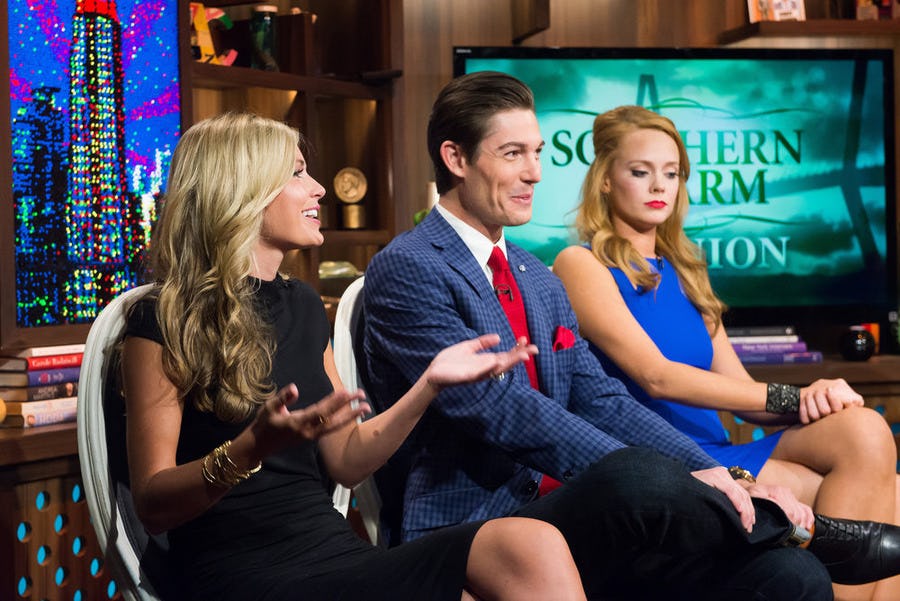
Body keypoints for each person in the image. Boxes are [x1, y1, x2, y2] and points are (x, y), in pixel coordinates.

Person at [363, 70, 900, 600]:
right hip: (477, 521)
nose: (535, 173)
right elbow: (500, 408)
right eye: (513, 154)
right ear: (456, 158)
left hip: (571, 514)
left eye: (538, 153)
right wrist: (689, 478)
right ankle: (796, 528)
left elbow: (600, 398)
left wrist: (717, 471)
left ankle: (793, 541)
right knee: (638, 474)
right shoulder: (410, 265)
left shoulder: (536, 279)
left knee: (793, 576)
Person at [118, 112, 589, 601]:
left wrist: (429, 386)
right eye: (297, 173)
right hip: (239, 572)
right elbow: (152, 505)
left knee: (530, 542)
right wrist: (250, 449)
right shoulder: (163, 317)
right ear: (241, 191)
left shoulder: (303, 304)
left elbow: (346, 461)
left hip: (333, 551)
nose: (319, 188)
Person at [553, 104, 900, 601]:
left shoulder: (686, 269)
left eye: (671, 173)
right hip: (667, 463)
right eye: (640, 172)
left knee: (863, 428)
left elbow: (742, 395)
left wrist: (817, 396)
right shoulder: (580, 263)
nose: (659, 186)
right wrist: (795, 395)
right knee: (893, 499)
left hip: (722, 448)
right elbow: (656, 377)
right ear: (605, 180)